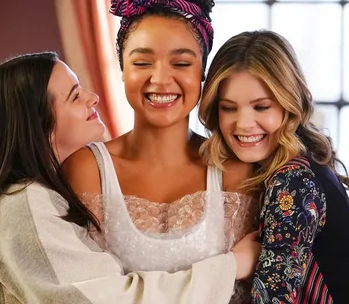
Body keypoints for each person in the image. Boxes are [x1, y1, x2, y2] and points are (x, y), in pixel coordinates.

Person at [0, 51, 258, 304]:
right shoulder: (21, 206)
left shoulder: (36, 195)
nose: (92, 97)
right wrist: (233, 265)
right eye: (75, 95)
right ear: (36, 124)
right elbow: (112, 299)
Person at [63, 0, 260, 301]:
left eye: (181, 63)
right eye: (142, 63)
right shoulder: (87, 169)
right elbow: (80, 291)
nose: (161, 79)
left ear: (202, 74)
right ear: (122, 70)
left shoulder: (234, 168)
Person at [199, 30, 349, 303]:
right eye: (229, 108)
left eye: (261, 107)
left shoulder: (293, 181)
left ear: (288, 104)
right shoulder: (306, 162)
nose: (243, 123)